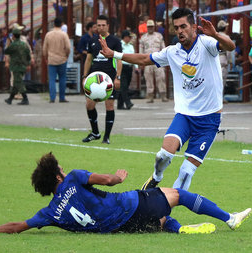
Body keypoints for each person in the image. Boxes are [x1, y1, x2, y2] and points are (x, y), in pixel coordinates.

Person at [99, 8, 236, 191]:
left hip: (209, 119)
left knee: (186, 171)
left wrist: (216, 34)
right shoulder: (172, 52)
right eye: (176, 27)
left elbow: (230, 46)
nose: (180, 31)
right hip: (185, 116)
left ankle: (165, 212)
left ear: (194, 27)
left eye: (184, 26)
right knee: (163, 155)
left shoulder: (207, 43)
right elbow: (143, 59)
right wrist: (114, 54)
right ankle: (156, 177)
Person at [0, 152, 252, 234]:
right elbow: (110, 181)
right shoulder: (74, 177)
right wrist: (118, 176)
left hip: (122, 228)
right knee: (177, 195)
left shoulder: (49, 213)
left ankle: (175, 229)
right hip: (128, 206)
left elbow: (17, 226)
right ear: (58, 175)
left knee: (160, 215)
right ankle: (229, 218)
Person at [82, 15, 122, 144]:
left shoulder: (115, 41)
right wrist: (84, 76)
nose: (100, 27)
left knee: (109, 106)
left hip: (109, 79)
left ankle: (107, 137)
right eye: (98, 25)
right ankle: (95, 132)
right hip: (94, 79)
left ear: (108, 26)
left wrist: (118, 77)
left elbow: (119, 59)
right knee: (89, 105)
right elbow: (88, 59)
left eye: (103, 25)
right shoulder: (92, 40)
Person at [43, 17, 71, 103]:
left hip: (51, 59)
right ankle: (62, 97)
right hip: (62, 59)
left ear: (54, 24)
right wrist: (66, 55)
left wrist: (46, 57)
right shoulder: (64, 34)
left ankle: (52, 98)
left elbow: (44, 48)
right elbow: (68, 47)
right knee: (62, 78)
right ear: (61, 24)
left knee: (52, 79)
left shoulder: (48, 34)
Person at [139, 19, 168, 103]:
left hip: (158, 60)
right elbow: (141, 50)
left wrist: (164, 58)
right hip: (147, 60)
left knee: (161, 77)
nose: (150, 28)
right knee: (148, 78)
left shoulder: (159, 36)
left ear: (154, 27)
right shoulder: (143, 37)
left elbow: (163, 48)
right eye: (149, 27)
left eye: (151, 26)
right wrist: (141, 61)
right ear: (147, 27)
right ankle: (150, 96)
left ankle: (163, 95)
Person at [4, 28, 31, 105]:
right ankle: (10, 99)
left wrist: (8, 43)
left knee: (19, 82)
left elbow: (6, 51)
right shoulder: (24, 44)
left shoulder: (13, 45)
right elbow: (28, 55)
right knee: (16, 82)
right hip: (23, 66)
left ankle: (25, 98)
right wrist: (28, 64)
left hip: (16, 66)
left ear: (13, 36)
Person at [117, 30, 136, 110]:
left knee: (126, 86)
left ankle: (120, 104)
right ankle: (128, 102)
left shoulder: (131, 46)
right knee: (123, 86)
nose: (130, 39)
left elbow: (134, 57)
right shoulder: (119, 45)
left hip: (129, 67)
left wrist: (136, 67)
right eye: (129, 37)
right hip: (122, 67)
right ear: (125, 37)